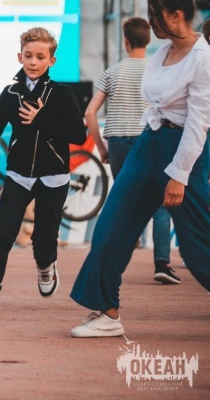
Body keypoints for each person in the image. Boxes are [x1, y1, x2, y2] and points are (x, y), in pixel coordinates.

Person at [69, 0, 210, 338]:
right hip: (148, 144)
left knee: (197, 244)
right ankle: (107, 312)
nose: (150, 22)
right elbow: (155, 104)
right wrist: (148, 139)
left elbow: (198, 122)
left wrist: (178, 174)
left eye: (154, 15)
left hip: (182, 150)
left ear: (176, 15)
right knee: (111, 226)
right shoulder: (161, 52)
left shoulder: (203, 58)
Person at [0, 27, 86, 317]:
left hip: (54, 177)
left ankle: (46, 266)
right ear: (19, 56)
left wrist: (41, 118)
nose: (33, 62)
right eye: (28, 55)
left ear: (51, 60)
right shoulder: (10, 94)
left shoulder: (62, 93)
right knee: (2, 233)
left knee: (43, 239)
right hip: (18, 175)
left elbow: (78, 134)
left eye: (40, 57)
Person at [83, 17, 179, 284]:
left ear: (125, 42)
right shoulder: (157, 70)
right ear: (148, 40)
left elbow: (90, 113)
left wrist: (101, 148)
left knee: (123, 199)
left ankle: (112, 263)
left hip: (117, 141)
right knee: (160, 202)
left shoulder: (112, 72)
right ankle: (162, 263)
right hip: (149, 137)